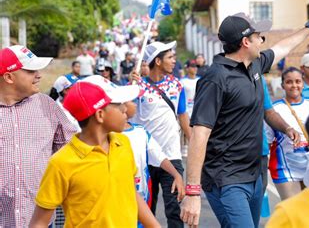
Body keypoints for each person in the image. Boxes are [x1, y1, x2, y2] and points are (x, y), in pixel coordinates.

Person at [180, 0, 309, 227]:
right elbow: (199, 135)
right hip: (227, 178)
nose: (262, 40)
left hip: (254, 174)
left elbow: (283, 47)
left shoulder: (255, 65)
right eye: (258, 36)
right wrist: (192, 192)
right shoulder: (216, 79)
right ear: (245, 42)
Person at [29, 76, 160, 228]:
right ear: (99, 115)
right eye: (118, 105)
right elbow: (39, 223)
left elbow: (131, 192)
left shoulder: (123, 144)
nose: (126, 109)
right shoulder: (61, 163)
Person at [0, 45, 77, 227]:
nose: (39, 75)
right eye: (30, 70)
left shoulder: (47, 106)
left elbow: (74, 153)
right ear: (9, 77)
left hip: (41, 221)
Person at [130, 40, 189, 228]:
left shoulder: (177, 86)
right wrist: (131, 87)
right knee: (146, 210)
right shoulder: (138, 88)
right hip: (146, 160)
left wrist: (197, 149)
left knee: (175, 211)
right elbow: (127, 112)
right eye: (170, 57)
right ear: (157, 61)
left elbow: (183, 118)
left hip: (171, 157)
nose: (174, 61)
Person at [122, 101, 185, 216]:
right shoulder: (106, 136)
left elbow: (158, 155)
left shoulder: (140, 132)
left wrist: (176, 175)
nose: (136, 104)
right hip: (119, 202)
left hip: (141, 201)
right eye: (132, 100)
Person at [266, 67, 309, 200]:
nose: (294, 85)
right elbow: (268, 141)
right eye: (289, 82)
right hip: (286, 170)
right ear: (282, 85)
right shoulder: (274, 110)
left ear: (303, 83)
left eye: (298, 81)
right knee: (294, 212)